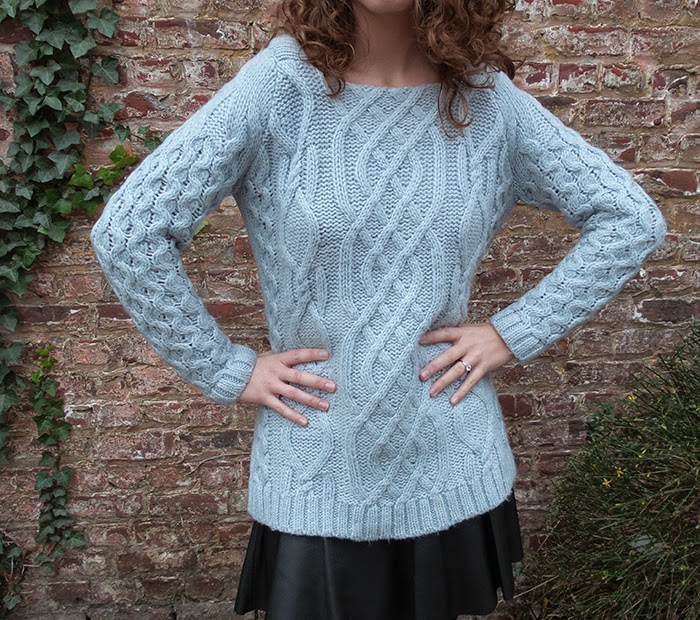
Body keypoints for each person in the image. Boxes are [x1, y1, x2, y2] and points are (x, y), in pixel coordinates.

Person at [88, 0, 668, 618]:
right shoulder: (279, 90)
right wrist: (227, 368)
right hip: (318, 467)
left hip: (449, 459)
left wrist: (511, 332)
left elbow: (630, 220)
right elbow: (129, 232)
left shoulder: (486, 103)